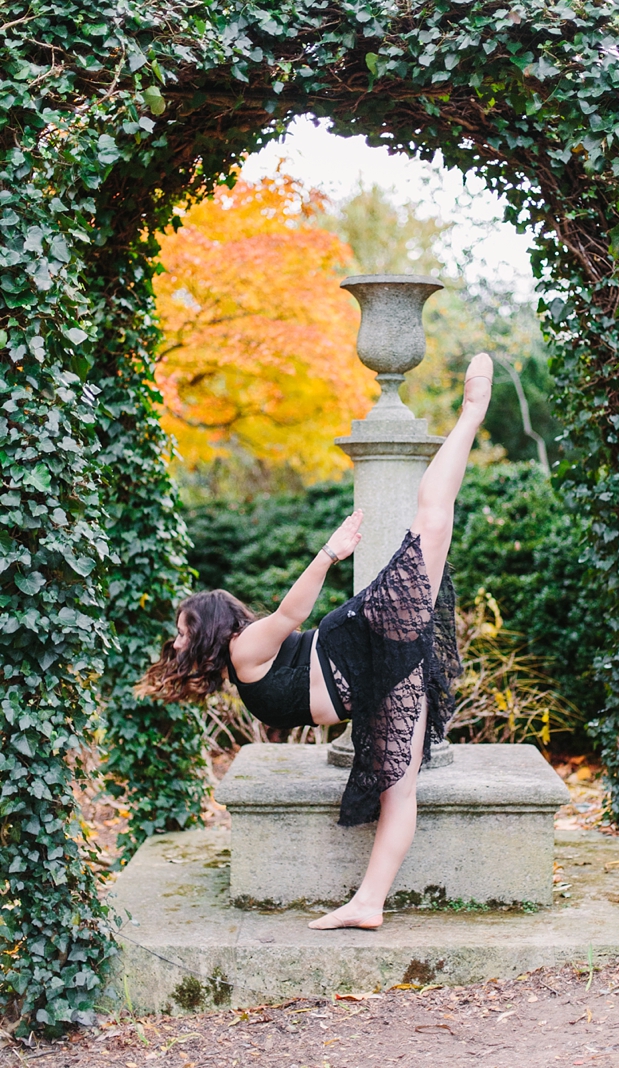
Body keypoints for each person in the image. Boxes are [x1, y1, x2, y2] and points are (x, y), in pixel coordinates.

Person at [138, 352, 493, 930]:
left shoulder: (244, 648)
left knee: (432, 522)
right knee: (398, 794)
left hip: (363, 643)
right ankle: (368, 904)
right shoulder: (242, 662)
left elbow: (289, 612)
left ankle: (471, 414)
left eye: (183, 630)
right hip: (378, 675)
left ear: (210, 629)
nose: (177, 642)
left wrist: (330, 554)